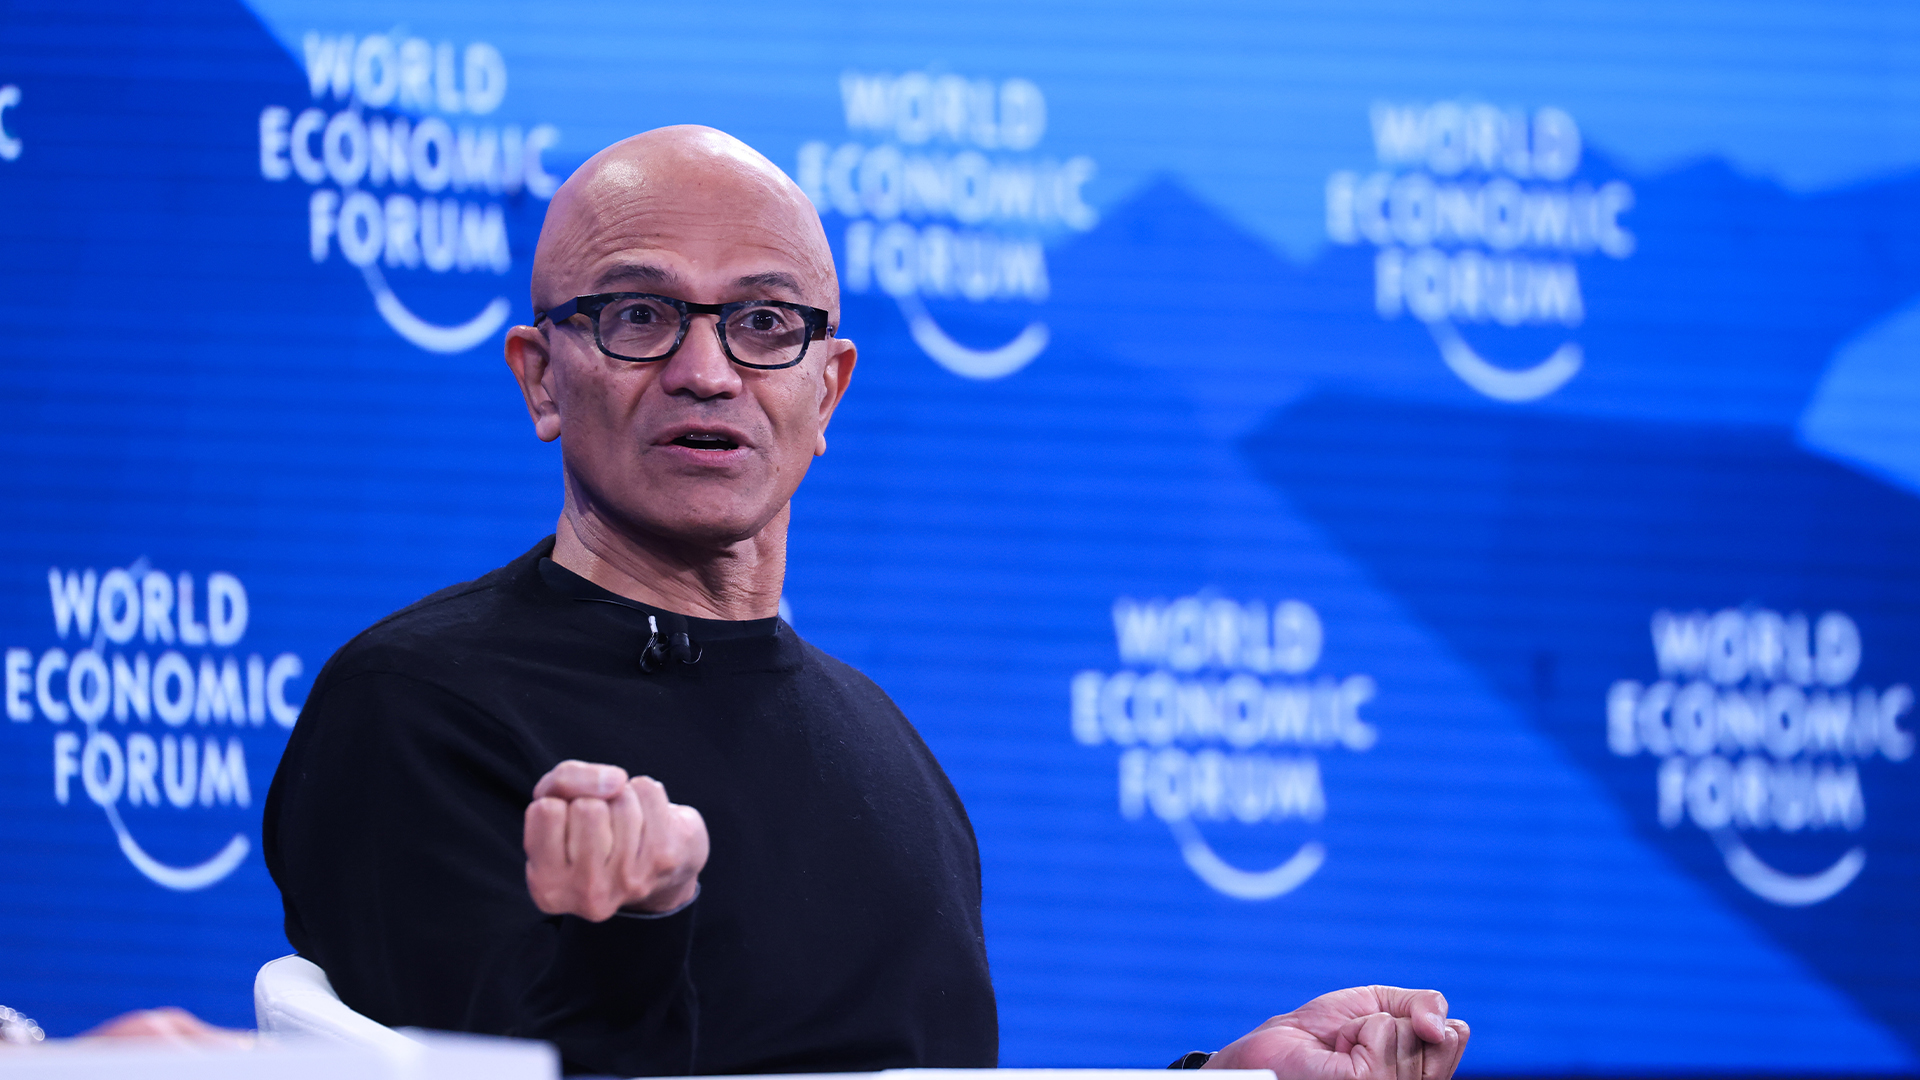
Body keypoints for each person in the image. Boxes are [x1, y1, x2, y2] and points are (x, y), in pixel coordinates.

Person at [264, 125, 1471, 1080]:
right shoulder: (417, 710)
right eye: (639, 317)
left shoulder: (879, 743)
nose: (706, 370)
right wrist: (629, 934)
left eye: (763, 323)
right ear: (540, 378)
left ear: (827, 390)